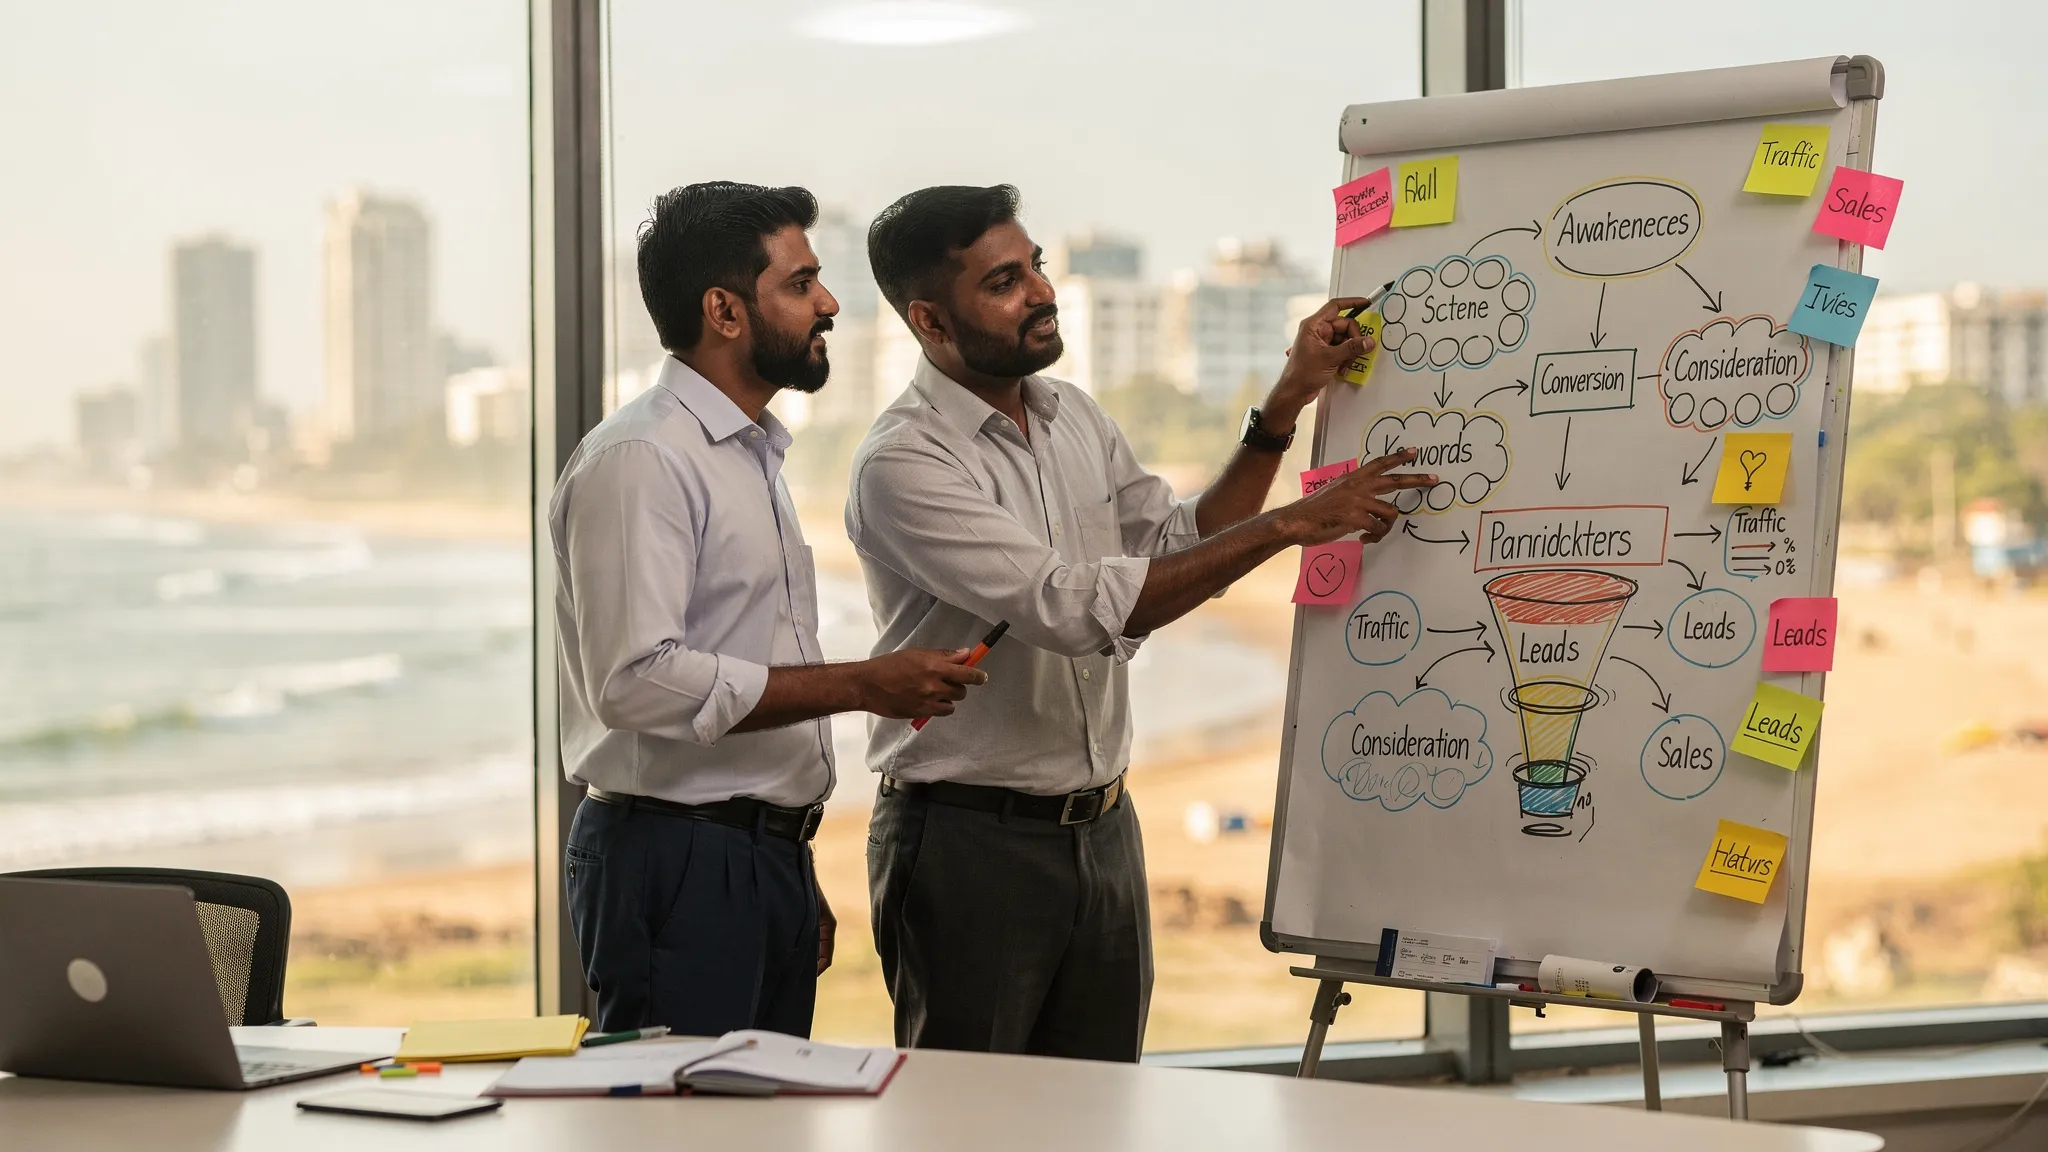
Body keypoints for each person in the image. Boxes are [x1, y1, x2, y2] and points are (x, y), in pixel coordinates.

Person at [848, 183, 1434, 1061]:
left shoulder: (1069, 414)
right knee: (969, 1126)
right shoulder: (904, 462)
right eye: (1004, 282)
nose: (1041, 291)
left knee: (1104, 1111)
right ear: (931, 323)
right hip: (968, 846)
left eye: (1036, 265)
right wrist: (1298, 523)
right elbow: (1074, 608)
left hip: (1104, 833)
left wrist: (1283, 404)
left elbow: (1182, 539)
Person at [549, 181, 988, 1038]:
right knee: (689, 1131)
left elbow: (735, 657)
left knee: (764, 1124)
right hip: (677, 860)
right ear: (724, 309)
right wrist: (864, 684)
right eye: (800, 283)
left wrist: (785, 856)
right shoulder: (644, 458)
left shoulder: (745, 453)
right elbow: (637, 684)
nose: (828, 304)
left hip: (753, 855)